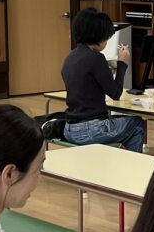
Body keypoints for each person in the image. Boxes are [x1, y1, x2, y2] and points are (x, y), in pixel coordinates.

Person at [59, 8, 145, 152]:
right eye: (106, 38)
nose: (106, 42)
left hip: (69, 128)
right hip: (90, 129)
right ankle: (132, 168)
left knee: (121, 124)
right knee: (137, 124)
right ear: (97, 36)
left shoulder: (70, 57)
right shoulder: (96, 58)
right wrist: (122, 63)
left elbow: (85, 84)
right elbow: (116, 93)